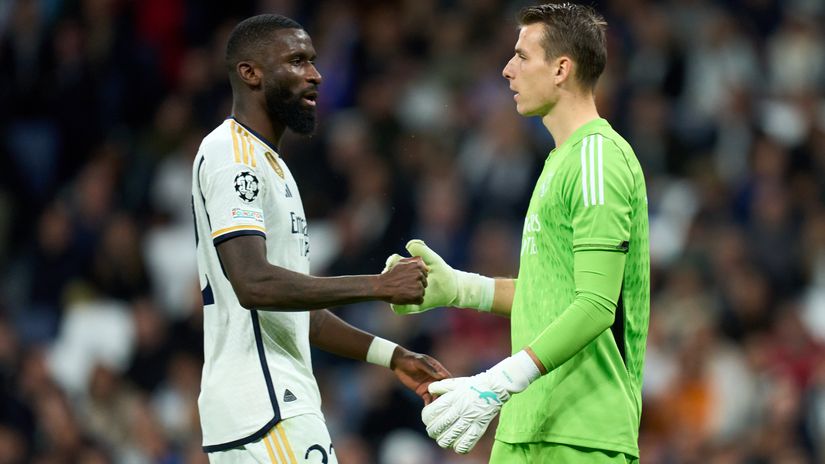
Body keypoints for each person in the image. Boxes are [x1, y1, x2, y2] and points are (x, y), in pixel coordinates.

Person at [386, 3, 649, 463]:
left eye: (523, 57)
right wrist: (461, 288)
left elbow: (595, 306)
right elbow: (554, 295)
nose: (507, 71)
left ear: (562, 68)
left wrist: (494, 383)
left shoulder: (596, 160)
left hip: (580, 434)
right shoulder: (559, 161)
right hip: (529, 427)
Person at [191, 14, 450, 463]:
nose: (315, 74)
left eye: (312, 61)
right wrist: (378, 285)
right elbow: (253, 284)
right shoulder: (233, 156)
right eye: (296, 61)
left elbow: (296, 312)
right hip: (266, 406)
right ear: (250, 73)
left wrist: (393, 355)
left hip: (267, 406)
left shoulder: (269, 163)